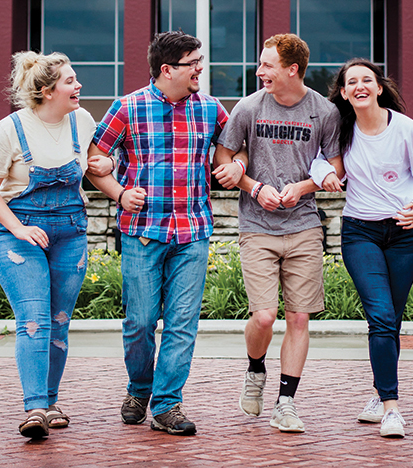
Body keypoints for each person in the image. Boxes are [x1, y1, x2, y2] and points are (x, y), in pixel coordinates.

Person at [87, 31, 243, 436]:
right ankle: (139, 389)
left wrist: (237, 167)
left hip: (193, 232)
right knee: (140, 321)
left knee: (182, 323)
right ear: (167, 69)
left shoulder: (211, 109)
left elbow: (236, 148)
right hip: (142, 233)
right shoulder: (128, 107)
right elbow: (93, 158)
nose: (200, 69)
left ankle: (167, 404)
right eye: (194, 62)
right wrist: (119, 193)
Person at [312, 58, 413, 438]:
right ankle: (391, 408)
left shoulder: (406, 130)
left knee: (392, 320)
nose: (359, 86)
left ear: (378, 88)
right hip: (361, 234)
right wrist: (324, 175)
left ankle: (377, 393)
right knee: (382, 318)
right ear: (343, 92)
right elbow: (319, 160)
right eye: (351, 81)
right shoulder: (341, 129)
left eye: (366, 80)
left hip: (404, 236)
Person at [213, 33, 340, 433]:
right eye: (260, 63)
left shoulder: (324, 112)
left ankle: (286, 402)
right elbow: (224, 156)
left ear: (292, 69)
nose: (260, 71)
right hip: (257, 225)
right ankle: (255, 370)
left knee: (299, 318)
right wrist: (253, 186)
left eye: (267, 65)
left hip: (303, 224)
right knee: (265, 316)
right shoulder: (249, 107)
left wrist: (303, 187)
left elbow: (334, 166)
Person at [0, 51, 96, 439]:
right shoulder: (10, 129)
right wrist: (18, 229)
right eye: (69, 81)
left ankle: (49, 400)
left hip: (70, 233)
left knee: (59, 322)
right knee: (34, 320)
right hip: (18, 235)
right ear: (47, 91)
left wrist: (106, 166)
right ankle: (34, 408)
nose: (78, 86)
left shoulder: (82, 120)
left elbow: (96, 160)